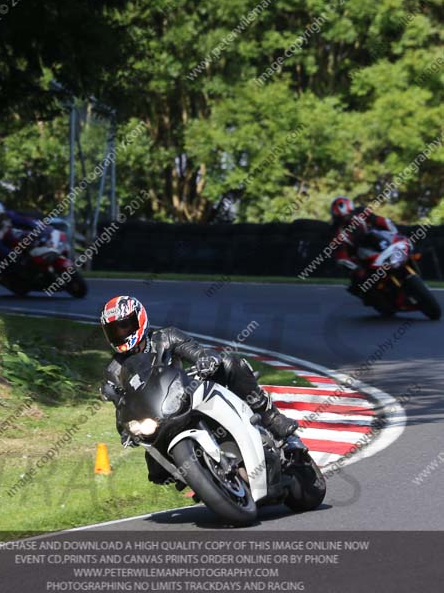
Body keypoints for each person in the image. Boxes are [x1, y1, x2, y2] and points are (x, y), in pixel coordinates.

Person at [99, 295, 298, 484]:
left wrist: (206, 359)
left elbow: (197, 351)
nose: (121, 333)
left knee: (229, 363)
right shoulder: (113, 371)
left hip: (188, 392)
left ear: (138, 319)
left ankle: (271, 417)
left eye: (124, 326)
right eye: (114, 330)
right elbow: (122, 409)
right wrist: (125, 431)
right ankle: (205, 477)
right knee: (155, 467)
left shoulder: (166, 336)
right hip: (159, 416)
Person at [331, 197, 397, 294]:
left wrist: (394, 232)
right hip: (359, 256)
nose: (347, 220)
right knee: (358, 283)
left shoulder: (361, 212)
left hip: (376, 241)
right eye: (342, 218)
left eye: (348, 216)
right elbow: (341, 255)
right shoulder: (336, 232)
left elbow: (380, 220)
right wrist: (355, 267)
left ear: (352, 211)